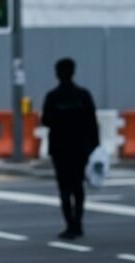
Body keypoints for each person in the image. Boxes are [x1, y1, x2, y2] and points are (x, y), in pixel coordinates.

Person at [41, 58, 100, 240]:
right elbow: (92, 122)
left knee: (64, 188)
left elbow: (46, 120)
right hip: (80, 147)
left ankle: (69, 225)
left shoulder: (53, 97)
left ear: (57, 73)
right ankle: (78, 222)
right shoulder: (83, 95)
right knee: (78, 187)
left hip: (60, 148)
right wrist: (94, 147)